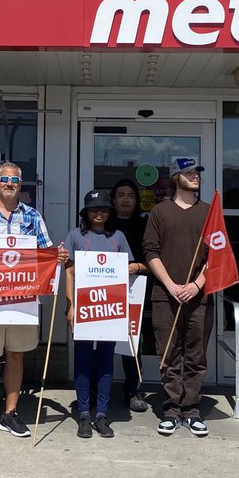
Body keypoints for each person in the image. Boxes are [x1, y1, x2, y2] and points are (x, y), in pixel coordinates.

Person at [0, 161, 66, 441]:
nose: (9, 184)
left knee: (16, 355)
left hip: (22, 299)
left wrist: (58, 256)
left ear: (20, 185)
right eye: (4, 179)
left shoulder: (33, 216)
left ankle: (10, 413)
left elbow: (46, 252)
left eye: (15, 180)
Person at [64, 190, 144, 439]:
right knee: (83, 360)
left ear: (110, 212)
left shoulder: (118, 237)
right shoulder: (75, 236)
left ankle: (101, 414)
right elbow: (69, 273)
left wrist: (134, 269)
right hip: (85, 306)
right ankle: (84, 414)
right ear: (86, 212)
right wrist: (71, 305)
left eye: (104, 209)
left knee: (106, 361)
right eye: (94, 209)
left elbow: (130, 270)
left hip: (111, 307)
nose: (99, 213)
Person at [143, 157, 212, 437]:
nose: (195, 176)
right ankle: (172, 411)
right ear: (175, 177)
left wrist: (196, 284)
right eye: (189, 173)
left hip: (199, 296)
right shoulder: (160, 211)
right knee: (169, 355)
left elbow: (217, 255)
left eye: (197, 172)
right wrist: (171, 285)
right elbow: (150, 251)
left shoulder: (209, 212)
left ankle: (192, 411)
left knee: (196, 356)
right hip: (165, 296)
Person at [106, 177, 149, 413]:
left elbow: (156, 259)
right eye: (121, 195)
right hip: (104, 289)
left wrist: (137, 267)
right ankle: (95, 389)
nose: (125, 199)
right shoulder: (103, 223)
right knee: (99, 340)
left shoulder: (146, 224)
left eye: (130, 195)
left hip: (135, 290)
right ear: (113, 200)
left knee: (132, 343)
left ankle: (134, 390)